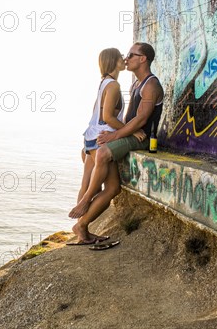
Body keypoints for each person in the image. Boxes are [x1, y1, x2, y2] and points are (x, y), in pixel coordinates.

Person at [69, 42, 164, 244]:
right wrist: (114, 131)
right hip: (125, 134)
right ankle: (81, 225)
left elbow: (141, 120)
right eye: (125, 55)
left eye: (131, 54)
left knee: (101, 156)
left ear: (143, 58)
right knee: (109, 182)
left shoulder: (151, 85)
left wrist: (114, 135)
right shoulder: (133, 84)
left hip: (144, 138)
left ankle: (85, 205)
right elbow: (118, 116)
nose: (127, 58)